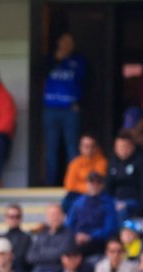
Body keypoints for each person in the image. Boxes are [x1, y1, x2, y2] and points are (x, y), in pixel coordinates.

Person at [42, 33, 87, 185]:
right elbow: (38, 74)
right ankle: (50, 183)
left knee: (72, 148)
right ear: (58, 42)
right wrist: (56, 59)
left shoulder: (79, 61)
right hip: (51, 109)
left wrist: (80, 102)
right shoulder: (49, 60)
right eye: (64, 41)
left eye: (70, 41)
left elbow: (88, 83)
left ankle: (73, 182)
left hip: (70, 110)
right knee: (51, 148)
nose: (67, 44)